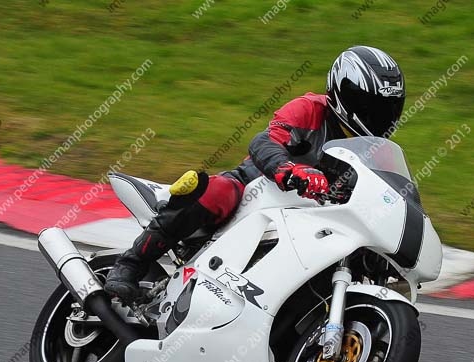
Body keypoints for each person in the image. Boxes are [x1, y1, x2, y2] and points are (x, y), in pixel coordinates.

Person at [104, 45, 406, 302]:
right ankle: (129, 264)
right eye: (373, 108)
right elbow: (264, 142)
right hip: (254, 190)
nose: (380, 118)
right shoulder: (309, 109)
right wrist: (292, 170)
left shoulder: (374, 151)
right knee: (218, 190)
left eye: (388, 109)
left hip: (313, 221)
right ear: (346, 95)